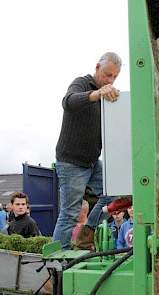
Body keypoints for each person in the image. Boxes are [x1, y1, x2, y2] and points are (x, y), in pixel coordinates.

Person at [53, 52, 122, 250]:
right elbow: (68, 101)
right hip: (71, 162)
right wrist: (96, 94)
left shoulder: (107, 96)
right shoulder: (82, 83)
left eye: (114, 77)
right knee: (70, 213)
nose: (110, 80)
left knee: (115, 193)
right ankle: (58, 261)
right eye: (107, 75)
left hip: (92, 162)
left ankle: (87, 233)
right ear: (97, 67)